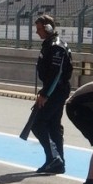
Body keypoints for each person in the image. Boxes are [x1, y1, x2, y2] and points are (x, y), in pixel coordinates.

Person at [32, 14, 73, 174]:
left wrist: (45, 94)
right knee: (53, 126)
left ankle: (54, 158)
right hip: (56, 90)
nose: (37, 32)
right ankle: (57, 163)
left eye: (39, 29)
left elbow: (56, 74)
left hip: (56, 91)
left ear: (48, 28)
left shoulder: (56, 46)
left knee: (38, 124)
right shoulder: (50, 44)